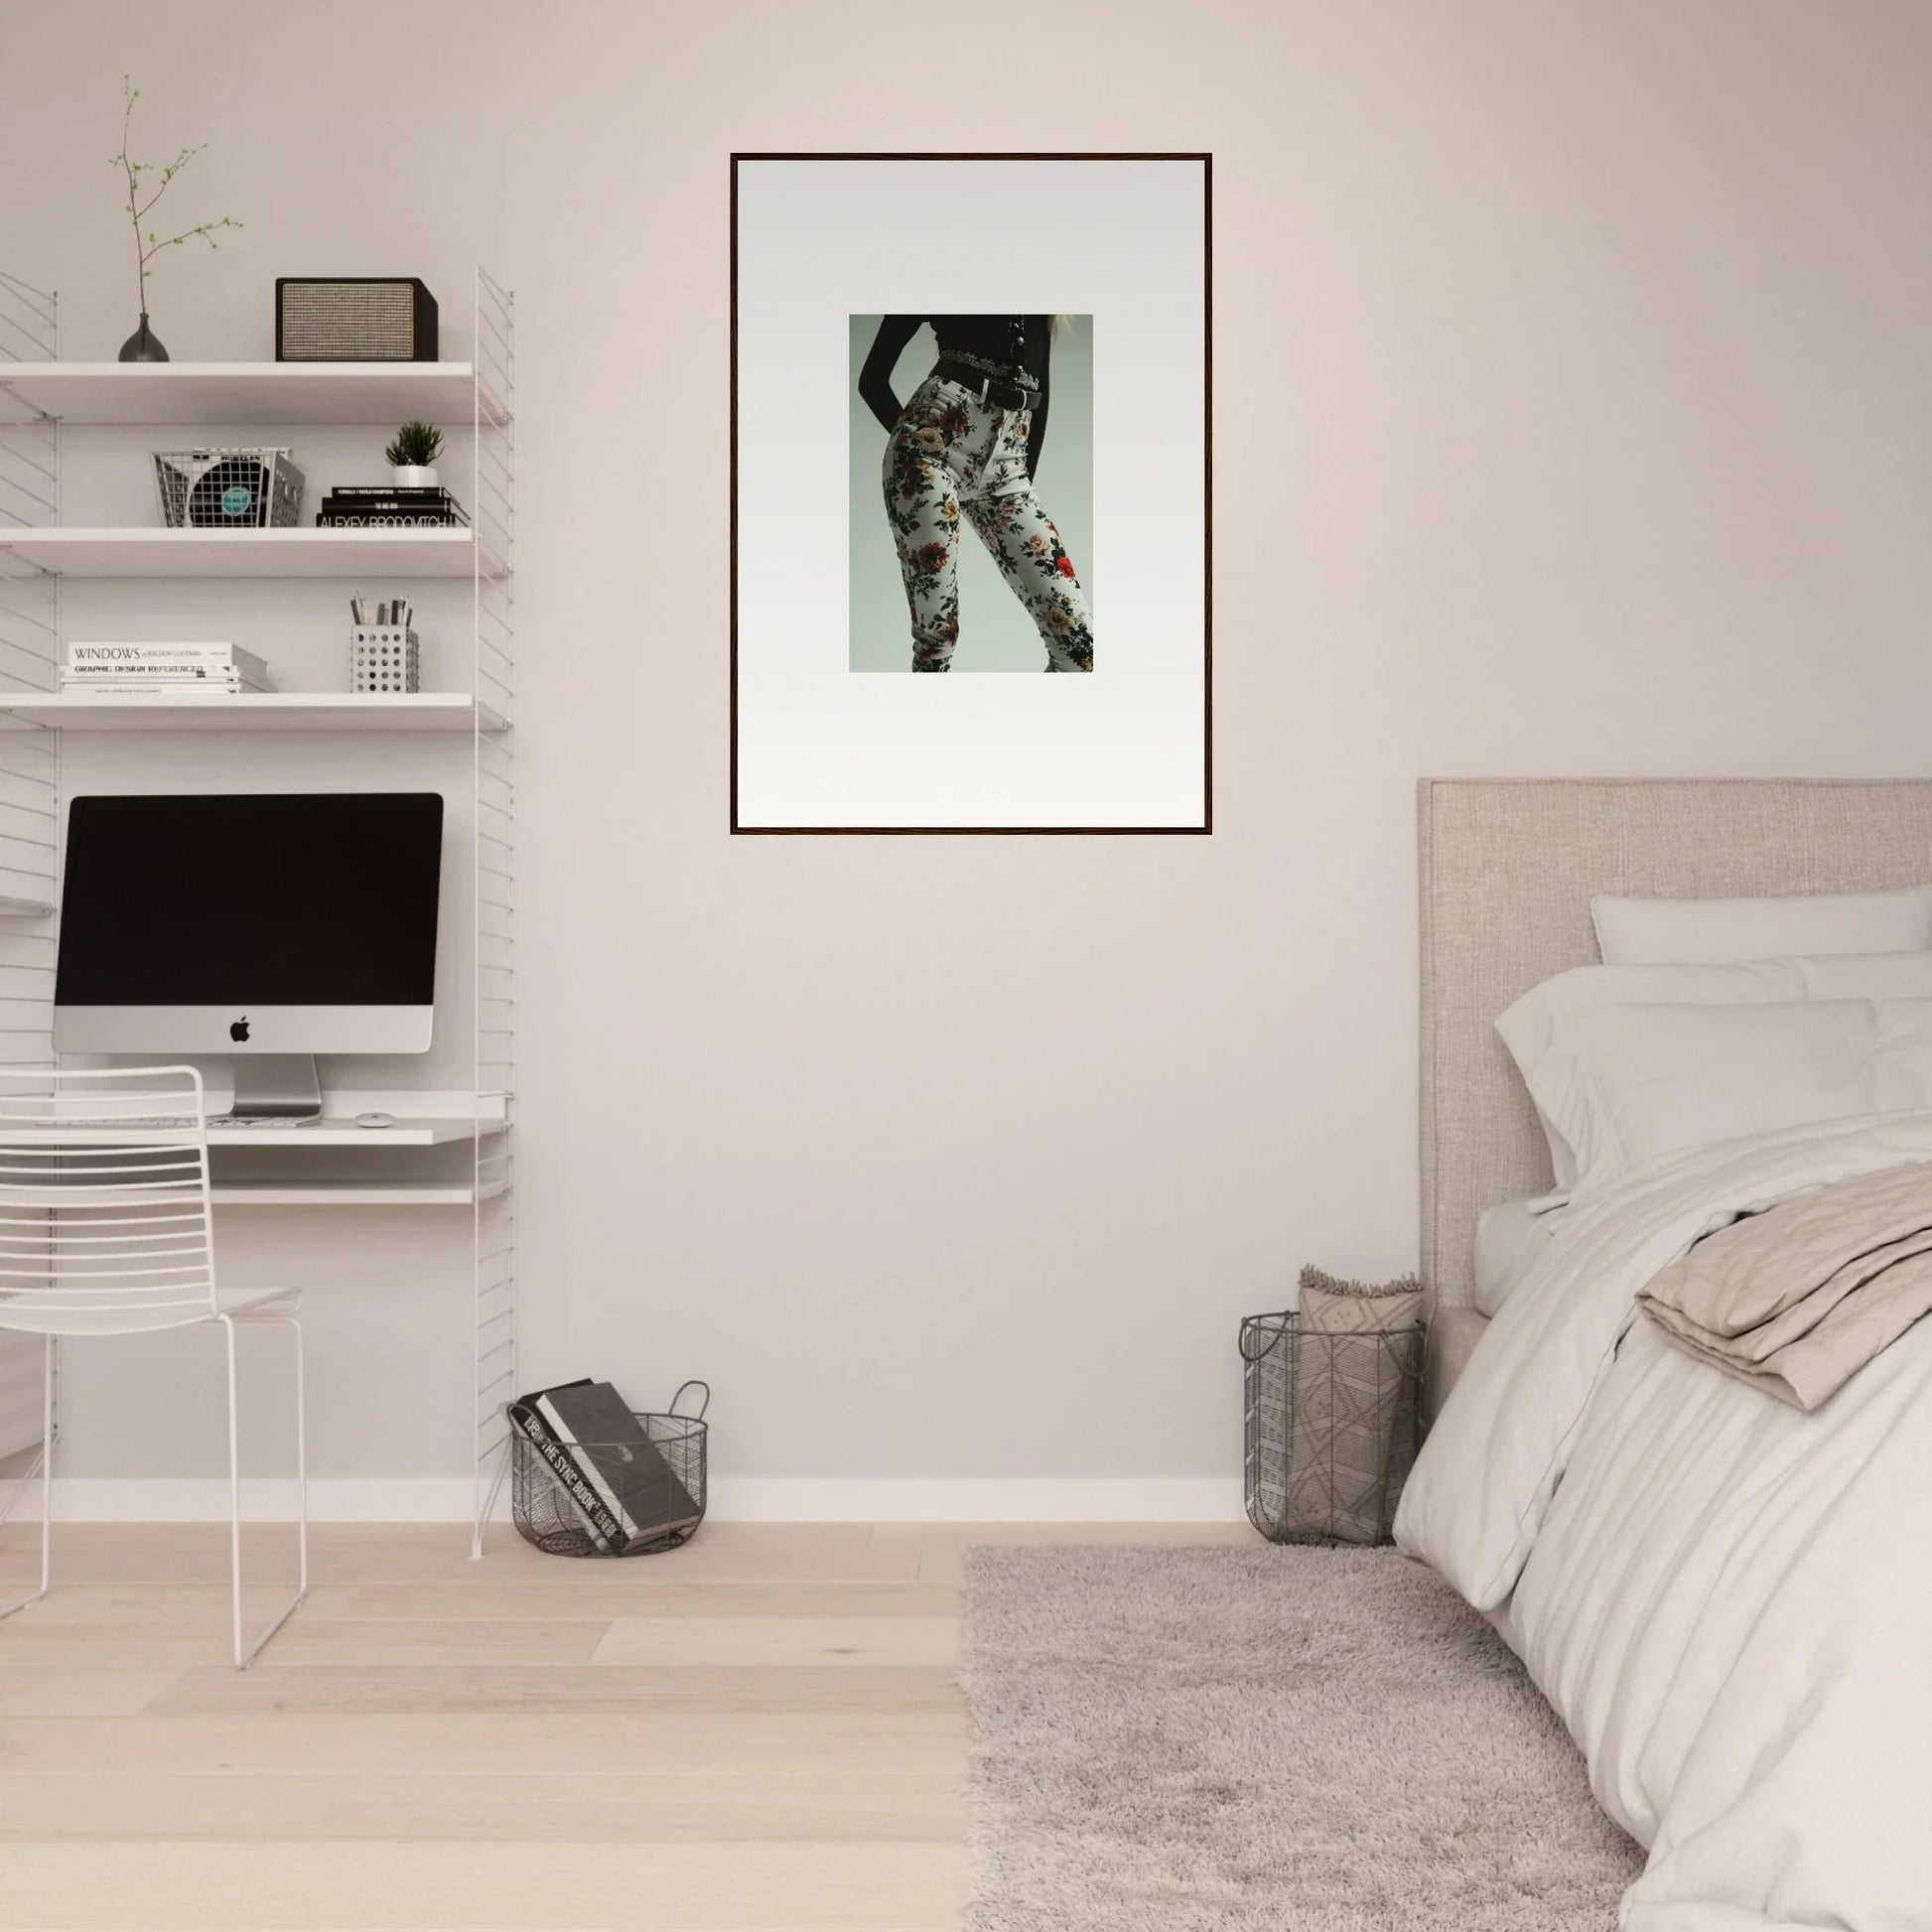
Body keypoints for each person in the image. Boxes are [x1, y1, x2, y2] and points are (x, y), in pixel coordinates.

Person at [858, 315, 1093, 673]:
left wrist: (1019, 477)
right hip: (930, 448)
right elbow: (872, 379)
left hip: (1008, 463)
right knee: (937, 638)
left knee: (1079, 644)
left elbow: (1040, 392)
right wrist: (916, 446)